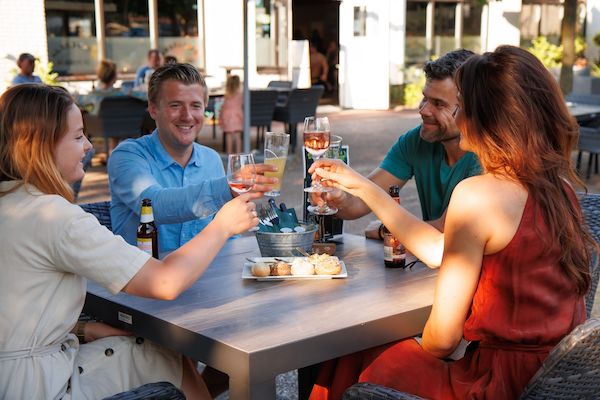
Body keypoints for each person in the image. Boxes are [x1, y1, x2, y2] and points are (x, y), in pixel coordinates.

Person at [307, 45, 596, 399]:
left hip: (494, 384)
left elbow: (441, 341)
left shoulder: (479, 193)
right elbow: (440, 249)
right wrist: (367, 189)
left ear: (485, 117)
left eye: (462, 108)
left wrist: (415, 341)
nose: (457, 119)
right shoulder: (561, 190)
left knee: (352, 353)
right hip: (553, 380)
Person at [0, 83, 261, 399]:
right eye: (78, 136)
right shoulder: (54, 217)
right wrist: (222, 226)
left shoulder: (12, 203)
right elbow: (165, 283)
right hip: (40, 385)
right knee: (167, 356)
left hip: (20, 370)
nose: (88, 147)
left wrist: (84, 329)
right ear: (39, 145)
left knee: (160, 352)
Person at [108, 63, 276, 255]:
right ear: (153, 109)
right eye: (175, 105)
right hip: (140, 282)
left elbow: (228, 238)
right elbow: (154, 206)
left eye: (195, 106)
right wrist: (228, 187)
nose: (187, 116)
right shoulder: (127, 155)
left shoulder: (211, 159)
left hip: (208, 280)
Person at [312, 49, 479, 235]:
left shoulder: (488, 157)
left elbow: (447, 233)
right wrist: (338, 198)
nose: (424, 110)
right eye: (425, 98)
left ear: (470, 108)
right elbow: (359, 203)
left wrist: (386, 231)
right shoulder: (416, 140)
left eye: (438, 104)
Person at [219, 74, 243, 154]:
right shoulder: (240, 94)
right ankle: (238, 153)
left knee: (229, 135)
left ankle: (229, 153)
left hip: (227, 116)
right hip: (237, 115)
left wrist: (221, 116)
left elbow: (224, 106)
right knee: (237, 135)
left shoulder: (227, 94)